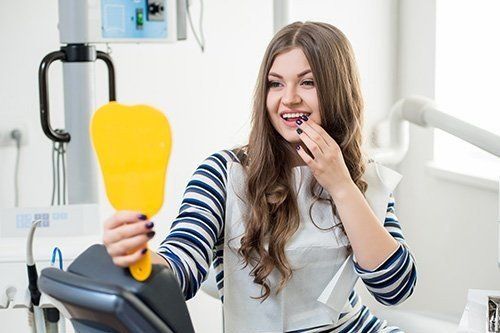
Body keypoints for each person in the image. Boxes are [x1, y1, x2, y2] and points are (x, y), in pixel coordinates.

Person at [102, 21, 417, 332]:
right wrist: (139, 257)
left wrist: (342, 187)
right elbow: (183, 266)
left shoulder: (365, 176)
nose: (288, 98)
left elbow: (395, 289)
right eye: (275, 83)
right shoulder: (223, 174)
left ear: (337, 90)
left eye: (308, 83)